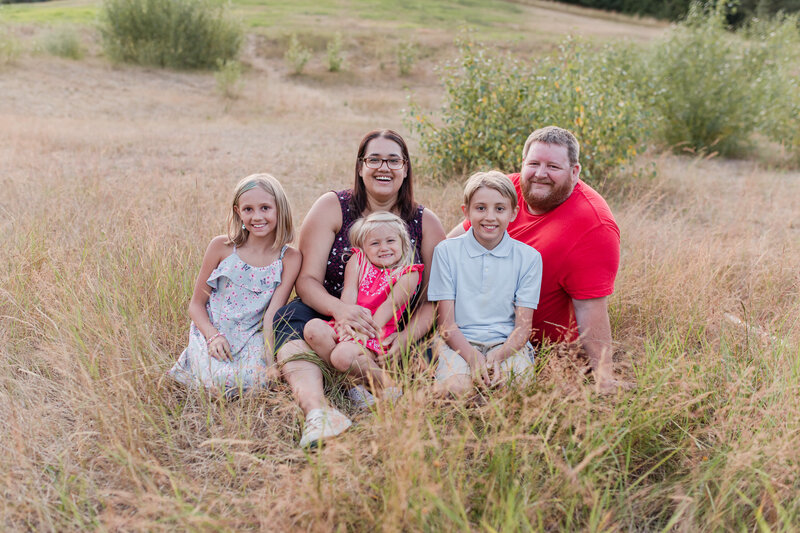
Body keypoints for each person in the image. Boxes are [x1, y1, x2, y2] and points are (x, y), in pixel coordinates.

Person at [273, 129, 446, 448]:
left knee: (429, 353)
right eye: (374, 159)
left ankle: (376, 388)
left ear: (405, 168)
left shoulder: (425, 222)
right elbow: (307, 280)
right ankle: (319, 412)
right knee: (290, 321)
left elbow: (435, 299)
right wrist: (340, 310)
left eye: (394, 160)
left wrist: (406, 337)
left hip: (393, 320)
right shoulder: (333, 206)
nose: (384, 167)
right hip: (330, 306)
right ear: (360, 166)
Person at [448, 126, 621, 393]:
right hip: (469, 328)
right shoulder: (506, 190)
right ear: (522, 164)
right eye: (534, 164)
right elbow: (452, 244)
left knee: (507, 393)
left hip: (533, 345)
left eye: (553, 166)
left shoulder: (593, 227)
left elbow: (591, 308)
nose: (541, 174)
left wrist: (604, 376)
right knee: (450, 388)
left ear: (575, 172)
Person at [168, 174, 301, 396]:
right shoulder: (222, 247)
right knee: (219, 377)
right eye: (248, 209)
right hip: (215, 331)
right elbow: (196, 305)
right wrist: (213, 336)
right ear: (238, 212)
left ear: (280, 209)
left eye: (265, 208)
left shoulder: (289, 258)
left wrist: (270, 361)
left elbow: (271, 315)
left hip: (252, 336)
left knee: (258, 378)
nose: (257, 216)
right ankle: (202, 370)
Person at [429, 171, 542, 396]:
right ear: (466, 211)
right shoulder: (446, 251)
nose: (490, 217)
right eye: (480, 208)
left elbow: (522, 327)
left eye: (499, 209)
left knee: (515, 390)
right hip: (459, 342)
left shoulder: (529, 257)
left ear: (513, 213)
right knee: (455, 390)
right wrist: (473, 358)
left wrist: (498, 357)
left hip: (506, 344)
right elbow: (447, 325)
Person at [304, 211, 424, 401]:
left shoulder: (409, 274)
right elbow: (349, 292)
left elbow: (388, 307)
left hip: (376, 331)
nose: (383, 248)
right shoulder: (358, 260)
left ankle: (389, 387)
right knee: (313, 329)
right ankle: (354, 387)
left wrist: (362, 333)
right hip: (348, 323)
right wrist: (345, 322)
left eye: (390, 241)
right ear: (364, 247)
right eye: (375, 243)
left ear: (403, 243)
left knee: (342, 356)